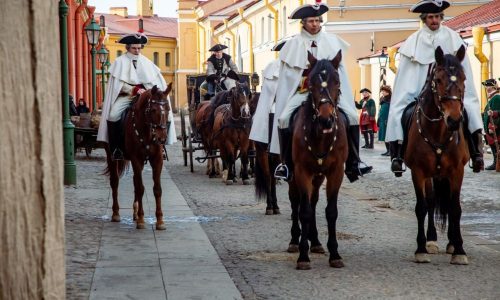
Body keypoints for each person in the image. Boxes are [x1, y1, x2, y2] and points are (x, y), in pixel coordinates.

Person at [271, 1, 372, 182]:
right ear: (303, 23)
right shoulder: (293, 44)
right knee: (284, 118)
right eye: (311, 21)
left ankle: (354, 162)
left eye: (318, 20)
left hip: (329, 96)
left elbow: (339, 73)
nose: (315, 24)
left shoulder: (332, 42)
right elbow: (289, 76)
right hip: (302, 93)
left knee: (352, 117)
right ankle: (286, 164)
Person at [386, 0, 484, 176]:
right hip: (417, 91)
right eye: (431, 17)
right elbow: (406, 76)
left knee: (470, 109)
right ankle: (397, 155)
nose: (434, 21)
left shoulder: (453, 38)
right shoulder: (413, 42)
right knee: (399, 112)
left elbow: (462, 69)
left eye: (438, 17)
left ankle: (476, 153)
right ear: (424, 19)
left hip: (449, 90)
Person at [97, 33, 176, 160]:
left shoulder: (147, 63)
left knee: (163, 113)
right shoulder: (119, 62)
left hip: (147, 96)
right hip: (126, 96)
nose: (137, 51)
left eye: (139, 48)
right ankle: (116, 148)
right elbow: (118, 85)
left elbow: (155, 82)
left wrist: (149, 91)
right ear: (128, 48)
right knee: (113, 116)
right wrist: (134, 89)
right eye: (134, 48)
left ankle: (161, 146)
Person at [249, 40, 286, 145]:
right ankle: (270, 142)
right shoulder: (273, 66)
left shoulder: (300, 65)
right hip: (276, 102)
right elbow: (270, 90)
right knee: (273, 111)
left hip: (293, 101)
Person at [482, 79, 500, 170]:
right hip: (489, 128)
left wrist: (493, 126)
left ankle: (497, 163)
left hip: (494, 128)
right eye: (486, 86)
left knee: (496, 146)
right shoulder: (492, 97)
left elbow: (496, 114)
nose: (486, 88)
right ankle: (495, 161)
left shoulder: (496, 98)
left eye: (488, 86)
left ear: (493, 86)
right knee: (493, 146)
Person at [377, 85, 392, 156]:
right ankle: (387, 150)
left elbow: (391, 111)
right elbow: (381, 111)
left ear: (388, 92)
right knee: (383, 136)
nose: (382, 92)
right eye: (382, 91)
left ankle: (391, 151)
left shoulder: (390, 100)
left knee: (388, 136)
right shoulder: (382, 100)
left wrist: (389, 119)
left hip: (387, 120)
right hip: (382, 120)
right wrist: (378, 119)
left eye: (384, 91)